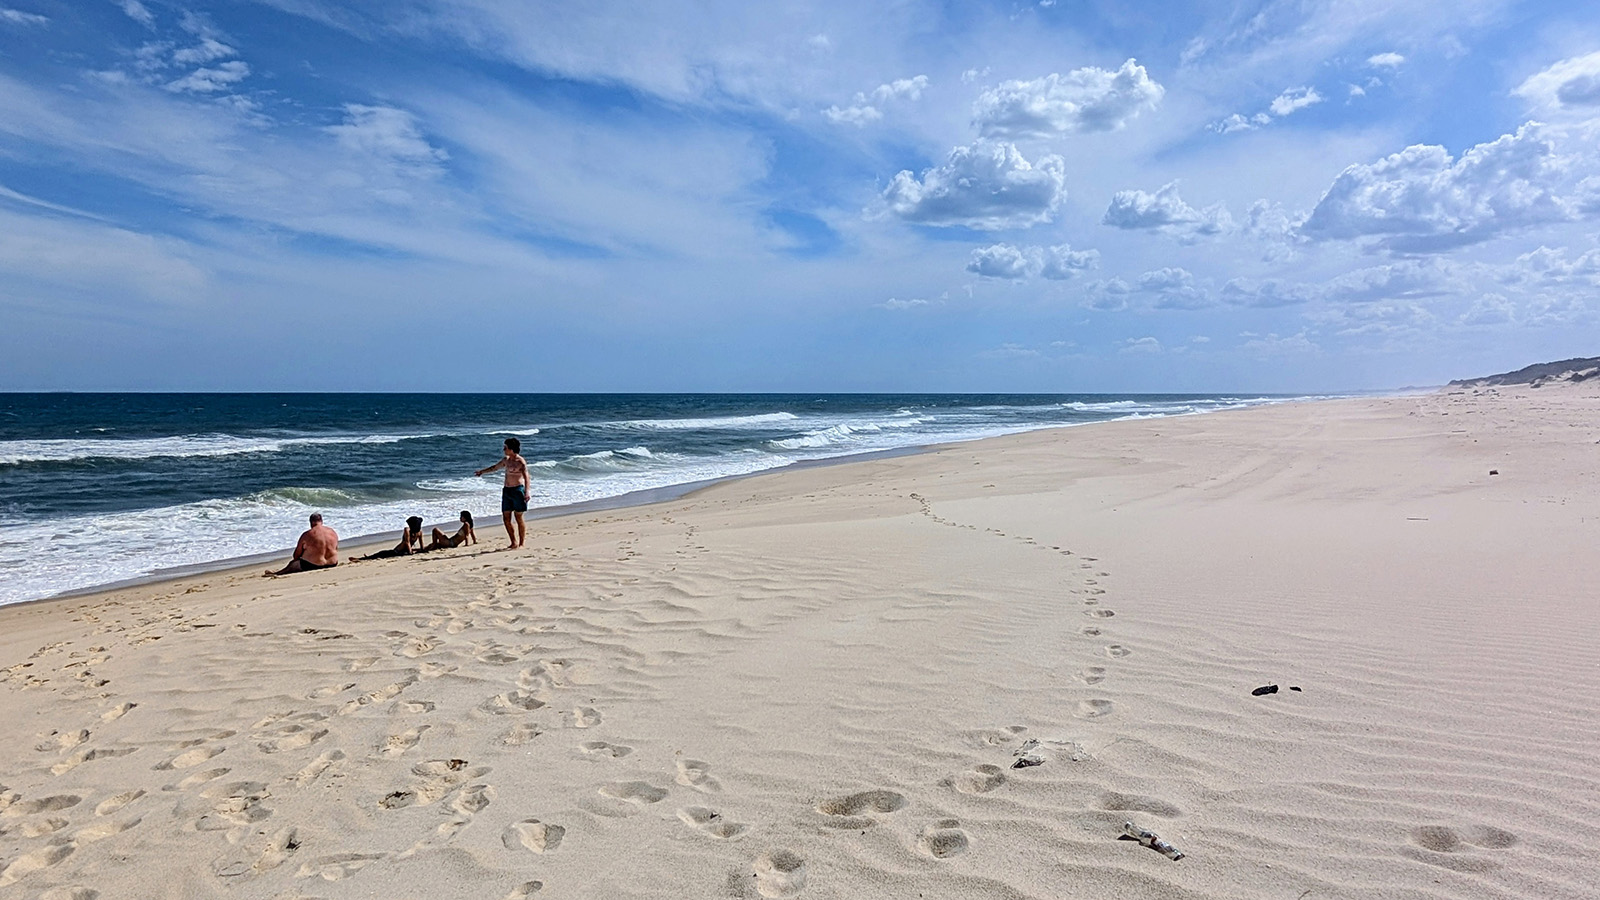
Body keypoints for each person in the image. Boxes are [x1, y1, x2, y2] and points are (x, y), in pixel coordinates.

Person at [476, 437, 531, 549]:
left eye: (505, 448)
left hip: (517, 490)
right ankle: (513, 542)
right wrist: (482, 472)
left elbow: (526, 478)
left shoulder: (520, 461)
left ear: (511, 449)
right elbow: (495, 468)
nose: (503, 449)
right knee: (506, 518)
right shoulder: (506, 460)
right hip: (507, 490)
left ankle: (521, 543)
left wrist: (527, 492)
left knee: (518, 517)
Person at [264, 513, 339, 577]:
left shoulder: (307, 534)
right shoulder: (332, 532)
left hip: (314, 565)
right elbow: (335, 548)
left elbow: (296, 555)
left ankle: (278, 573)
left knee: (293, 564)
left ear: (311, 522)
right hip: (332, 563)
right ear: (321, 521)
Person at [351, 516, 425, 561]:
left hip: (402, 551)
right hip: (399, 551)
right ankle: (363, 558)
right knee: (382, 553)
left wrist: (416, 551)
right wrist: (412, 552)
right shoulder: (410, 530)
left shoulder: (414, 531)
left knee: (383, 554)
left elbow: (412, 543)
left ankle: (363, 559)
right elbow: (408, 542)